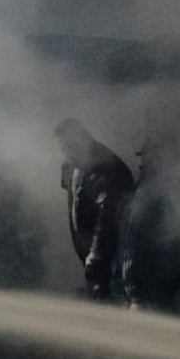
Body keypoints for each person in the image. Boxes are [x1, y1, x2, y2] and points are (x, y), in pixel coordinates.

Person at [55, 119, 133, 300]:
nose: (63, 153)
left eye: (66, 147)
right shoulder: (75, 163)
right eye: (61, 148)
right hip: (95, 259)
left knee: (107, 304)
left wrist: (97, 254)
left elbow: (108, 215)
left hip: (111, 262)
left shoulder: (106, 166)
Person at [117, 132, 180, 313]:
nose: (142, 164)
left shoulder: (159, 194)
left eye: (148, 157)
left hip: (153, 294)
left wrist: (136, 292)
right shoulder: (146, 191)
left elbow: (136, 245)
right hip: (148, 293)